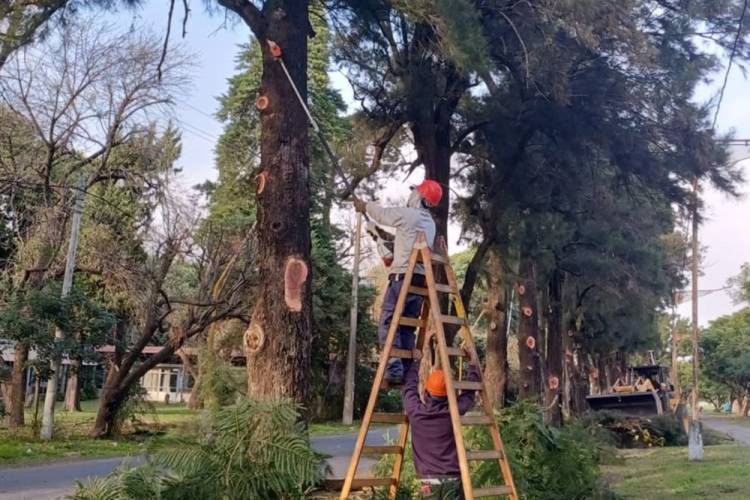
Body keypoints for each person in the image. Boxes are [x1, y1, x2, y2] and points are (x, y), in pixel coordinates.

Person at [352, 180, 442, 384]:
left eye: (416, 191)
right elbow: (404, 240)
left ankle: (394, 367)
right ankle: (408, 370)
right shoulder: (429, 224)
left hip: (403, 277)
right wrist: (379, 234)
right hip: (420, 281)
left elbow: (383, 214)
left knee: (388, 320)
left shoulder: (409, 215)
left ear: (420, 198)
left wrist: (364, 206)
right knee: (407, 327)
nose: (412, 194)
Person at [403, 352, 480, 499]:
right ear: (450, 393)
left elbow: (409, 388)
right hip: (453, 478)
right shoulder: (453, 413)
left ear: (426, 391)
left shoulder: (416, 412)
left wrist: (415, 362)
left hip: (428, 480)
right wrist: (472, 366)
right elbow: (468, 394)